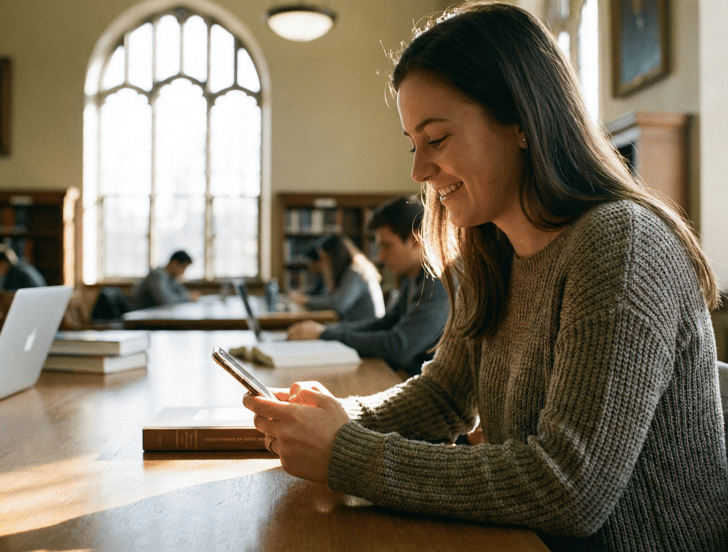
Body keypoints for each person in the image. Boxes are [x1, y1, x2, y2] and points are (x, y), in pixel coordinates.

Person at [244, 3, 728, 551]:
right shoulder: (490, 250)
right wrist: (329, 419)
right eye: (413, 144)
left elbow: (569, 487)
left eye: (437, 139)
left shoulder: (620, 244)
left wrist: (346, 452)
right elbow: (444, 397)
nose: (418, 171)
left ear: (521, 121)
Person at [287, 196, 449, 377]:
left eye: (386, 246)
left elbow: (400, 345)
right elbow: (385, 324)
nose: (380, 257)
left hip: (427, 384)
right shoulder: (414, 277)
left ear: (415, 240)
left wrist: (325, 334)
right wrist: (326, 331)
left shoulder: (438, 280)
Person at [288, 234, 385, 323]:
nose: (323, 264)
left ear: (335, 257)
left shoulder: (356, 273)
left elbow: (338, 304)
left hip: (365, 329)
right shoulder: (352, 271)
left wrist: (306, 301)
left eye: (324, 258)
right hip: (357, 327)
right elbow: (332, 299)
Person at [129, 250, 199, 310]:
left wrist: (189, 296)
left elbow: (184, 293)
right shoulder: (157, 275)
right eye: (183, 267)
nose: (183, 272)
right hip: (140, 316)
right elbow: (166, 301)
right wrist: (188, 298)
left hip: (154, 314)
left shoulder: (171, 277)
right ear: (174, 263)